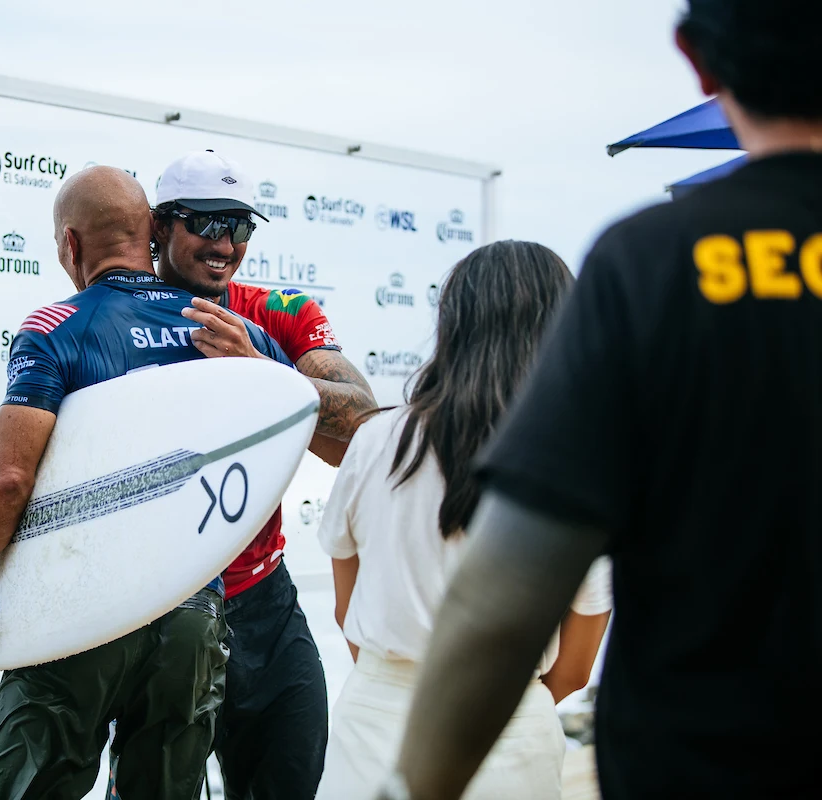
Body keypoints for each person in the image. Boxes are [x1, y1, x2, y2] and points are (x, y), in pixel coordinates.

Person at [378, 1, 822, 797]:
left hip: (701, 761)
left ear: (698, 60)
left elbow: (510, 590)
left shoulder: (651, 264)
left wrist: (413, 786)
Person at [0, 166, 296, 800]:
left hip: (80, 607)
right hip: (194, 618)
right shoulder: (237, 338)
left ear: (70, 245)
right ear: (152, 232)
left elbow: (8, 479)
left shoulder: (55, 330)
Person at [313, 241, 611, 800]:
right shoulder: (573, 458)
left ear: (453, 323)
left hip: (372, 725)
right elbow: (574, 665)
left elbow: (346, 609)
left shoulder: (378, 438)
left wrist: (394, 676)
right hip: (512, 732)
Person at [149, 149, 378, 800]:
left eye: (241, 227)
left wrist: (263, 371)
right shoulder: (120, 322)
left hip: (262, 597)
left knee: (293, 779)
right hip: (158, 605)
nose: (226, 244)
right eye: (208, 225)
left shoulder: (278, 311)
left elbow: (363, 425)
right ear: (160, 226)